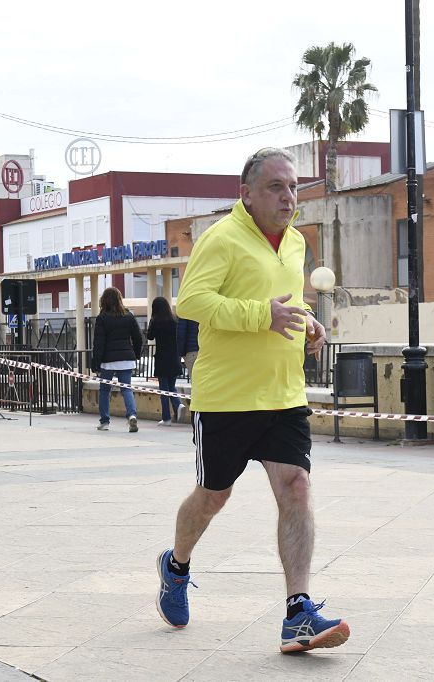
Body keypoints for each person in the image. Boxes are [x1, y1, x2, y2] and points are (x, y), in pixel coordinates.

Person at [155, 147, 349, 654]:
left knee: (297, 486)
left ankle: (297, 613)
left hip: (283, 393)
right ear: (246, 193)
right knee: (213, 497)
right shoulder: (221, 239)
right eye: (276, 188)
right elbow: (191, 302)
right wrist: (258, 315)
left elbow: (290, 299)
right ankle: (175, 566)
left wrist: (308, 323)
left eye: (293, 188)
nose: (289, 198)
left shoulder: (297, 243)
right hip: (226, 398)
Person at [91, 287, 143, 432]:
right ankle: (132, 415)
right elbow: (138, 338)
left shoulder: (102, 318)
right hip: (126, 358)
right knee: (126, 389)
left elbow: (99, 343)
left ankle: (105, 421)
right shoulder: (129, 316)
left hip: (108, 361)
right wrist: (136, 354)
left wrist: (96, 363)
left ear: (104, 300)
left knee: (104, 390)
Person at [147, 297, 187, 426]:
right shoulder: (174, 320)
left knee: (163, 390)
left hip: (162, 358)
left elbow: (149, 336)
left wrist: (151, 321)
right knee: (171, 386)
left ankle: (167, 418)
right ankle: (178, 404)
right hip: (174, 357)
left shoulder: (156, 321)